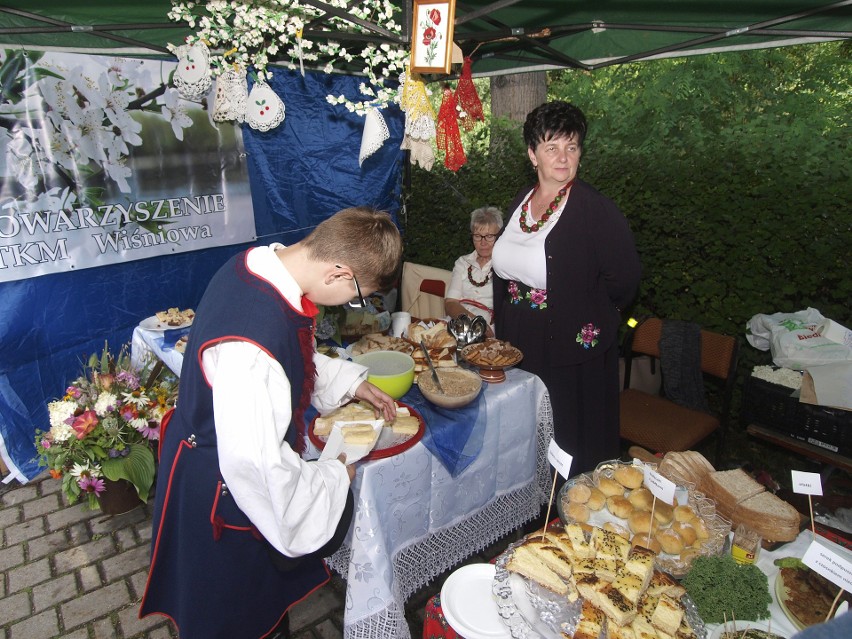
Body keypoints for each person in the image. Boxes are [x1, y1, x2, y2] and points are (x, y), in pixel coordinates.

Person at [139, 207, 403, 639]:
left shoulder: (258, 266)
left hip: (216, 467)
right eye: (358, 296)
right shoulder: (251, 356)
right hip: (223, 495)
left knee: (260, 610)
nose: (352, 305)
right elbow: (257, 466)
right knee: (236, 620)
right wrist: (335, 475)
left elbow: (288, 351)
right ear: (338, 272)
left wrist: (350, 384)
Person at [491, 101, 641, 475]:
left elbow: (625, 281)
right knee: (526, 435)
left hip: (570, 345)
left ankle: (565, 518)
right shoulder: (520, 203)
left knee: (568, 436)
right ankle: (531, 517)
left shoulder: (596, 211)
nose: (562, 157)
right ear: (532, 155)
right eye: (551, 147)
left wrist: (589, 320)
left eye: (571, 147)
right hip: (519, 339)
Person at [444, 206, 504, 336]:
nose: (483, 242)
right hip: (458, 323)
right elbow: (450, 303)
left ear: (499, 236)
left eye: (489, 236)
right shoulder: (462, 262)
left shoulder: (505, 266)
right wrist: (475, 322)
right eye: (477, 236)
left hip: (490, 331)